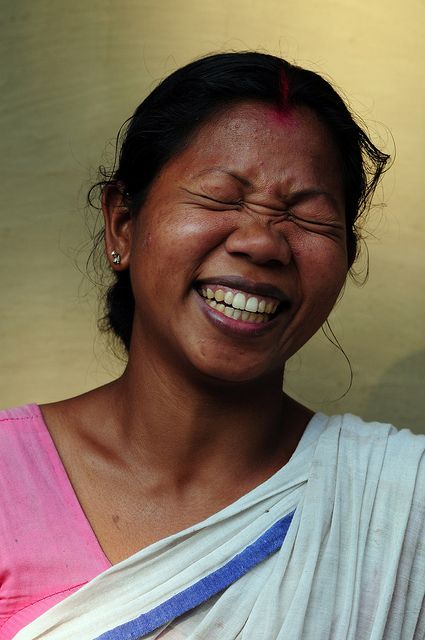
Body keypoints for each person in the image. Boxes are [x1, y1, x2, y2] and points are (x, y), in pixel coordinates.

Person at [1, 52, 424, 640]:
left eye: (308, 217)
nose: (262, 242)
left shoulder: (402, 507)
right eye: (221, 198)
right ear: (123, 223)